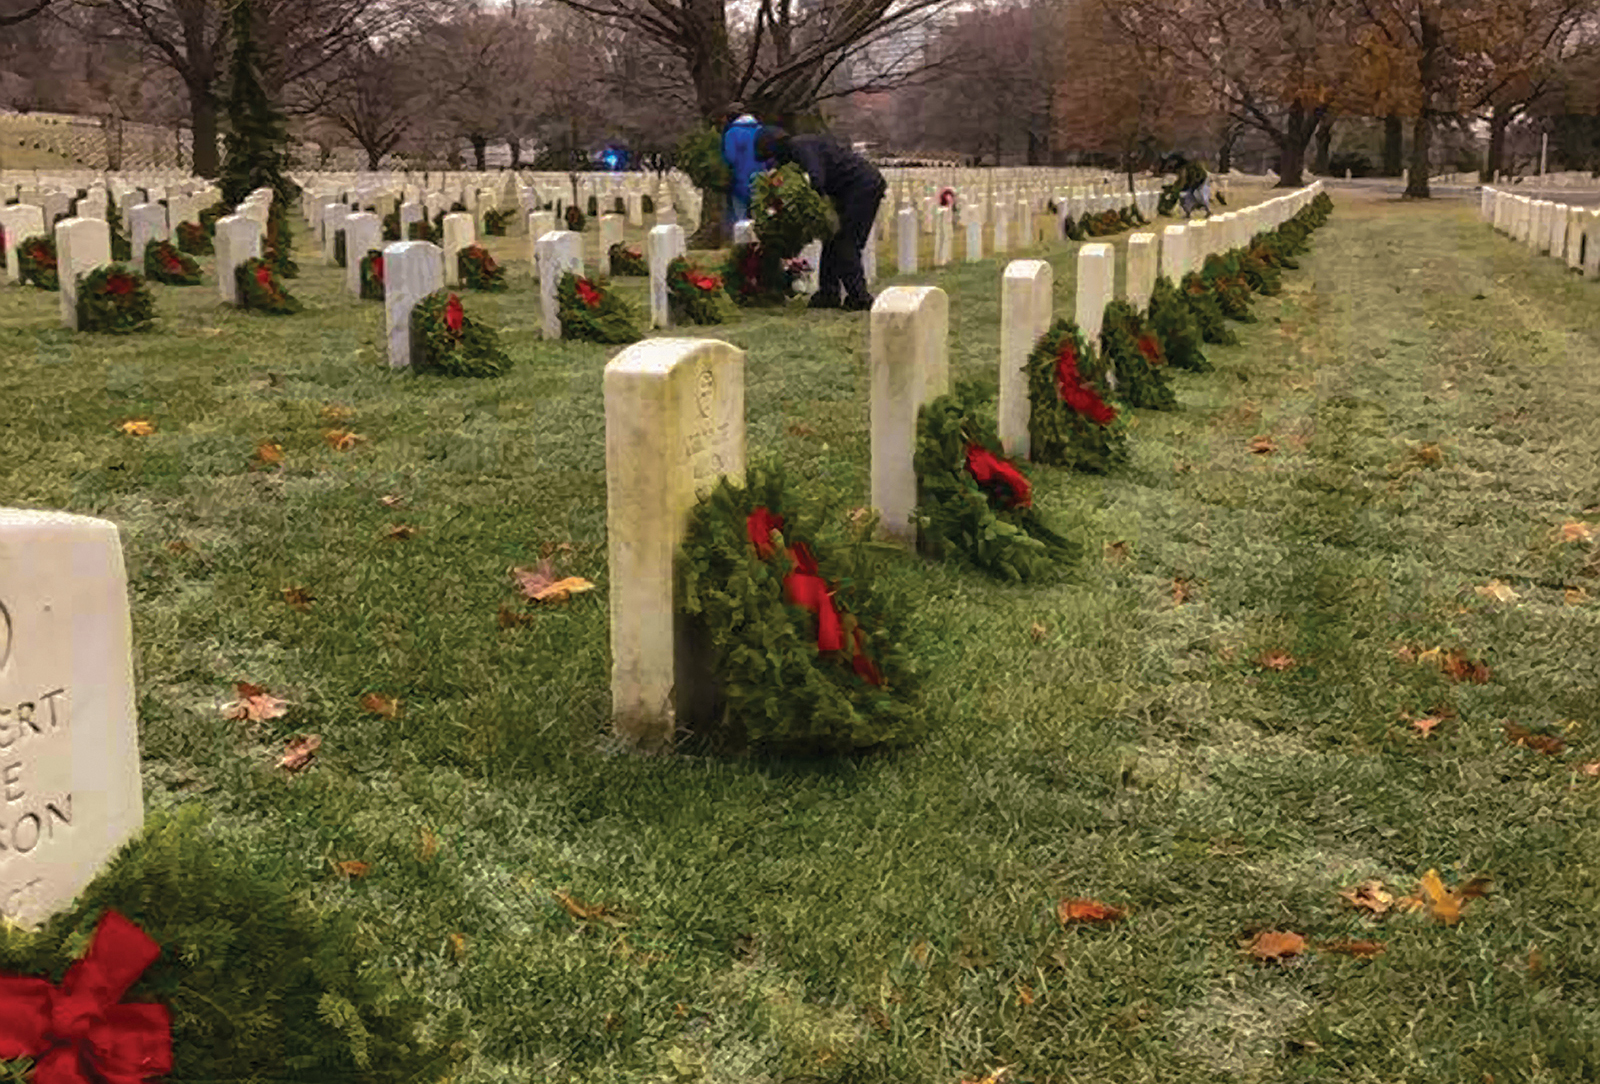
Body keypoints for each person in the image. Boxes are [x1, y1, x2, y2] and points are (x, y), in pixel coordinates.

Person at [754, 126, 886, 311]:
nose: (773, 162)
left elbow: (817, 179)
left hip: (863, 187)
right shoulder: (798, 148)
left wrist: (803, 209)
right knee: (831, 239)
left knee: (846, 242)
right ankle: (828, 294)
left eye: (771, 156)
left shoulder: (800, 147)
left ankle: (859, 297)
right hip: (847, 190)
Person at [722, 105, 766, 224]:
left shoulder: (731, 133)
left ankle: (743, 240)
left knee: (740, 216)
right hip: (762, 176)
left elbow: (730, 157)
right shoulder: (760, 130)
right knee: (760, 212)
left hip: (740, 177)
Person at [1159, 152, 1213, 219]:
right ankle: (1189, 212)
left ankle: (1206, 211)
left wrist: (1176, 189)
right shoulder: (1186, 166)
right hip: (1195, 181)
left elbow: (1183, 180)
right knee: (1188, 196)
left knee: (1197, 196)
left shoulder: (1185, 168)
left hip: (1201, 180)